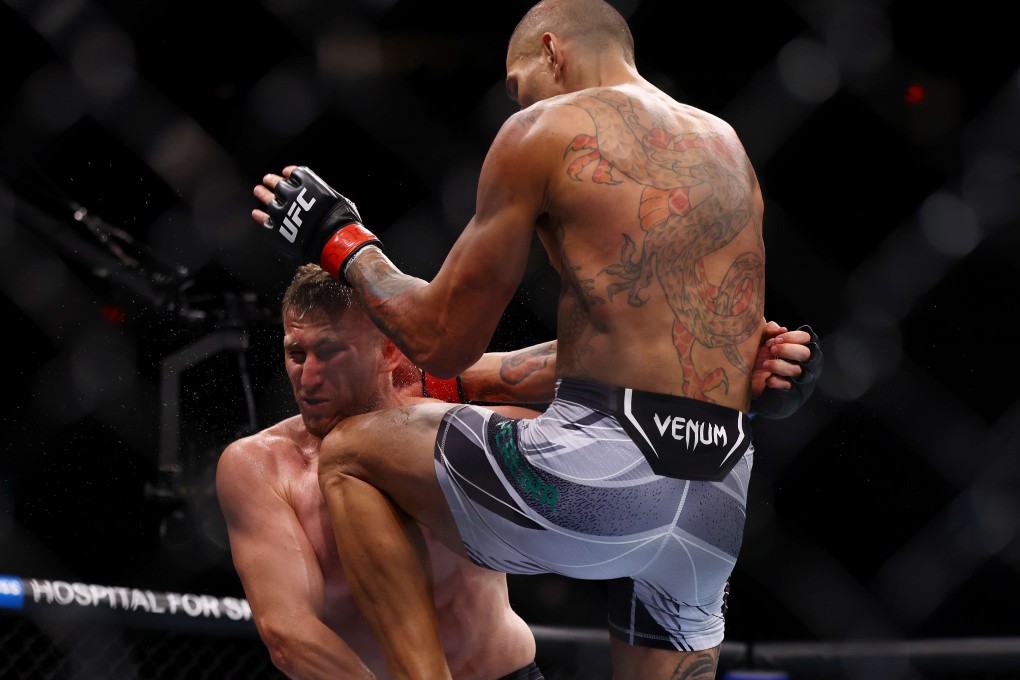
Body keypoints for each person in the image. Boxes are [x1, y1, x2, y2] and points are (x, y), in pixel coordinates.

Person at [250, 1, 821, 677]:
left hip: (608, 476)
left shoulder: (545, 130)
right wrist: (783, 368)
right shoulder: (727, 146)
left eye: (519, 86)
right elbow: (702, 345)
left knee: (349, 452)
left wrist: (342, 240)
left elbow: (440, 337)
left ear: (553, 52)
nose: (516, 106)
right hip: (718, 492)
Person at [216, 263, 553, 680]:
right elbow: (289, 635)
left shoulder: (454, 429)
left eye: (331, 351)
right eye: (296, 354)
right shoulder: (262, 466)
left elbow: (584, 394)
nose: (310, 377)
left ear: (388, 351)